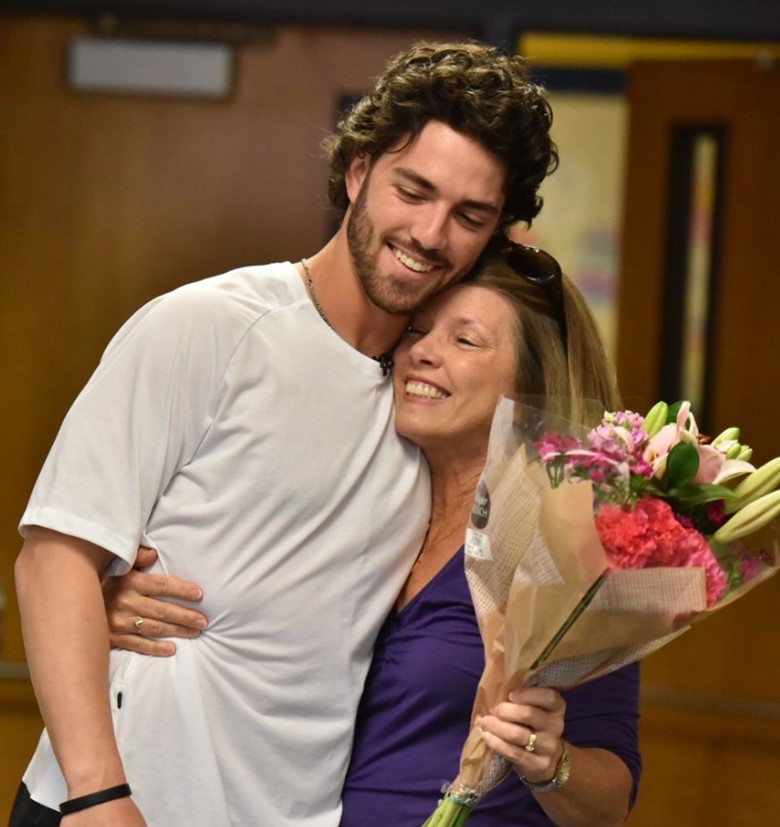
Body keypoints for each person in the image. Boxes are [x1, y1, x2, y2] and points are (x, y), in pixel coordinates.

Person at [10, 41, 558, 827]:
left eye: (470, 215)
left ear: (496, 234)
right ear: (358, 171)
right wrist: (99, 792)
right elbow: (53, 558)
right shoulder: (206, 325)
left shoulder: (434, 403)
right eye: (414, 189)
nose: (432, 233)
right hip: (116, 803)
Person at [104, 241, 641, 827]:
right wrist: (121, 600)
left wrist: (548, 761)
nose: (423, 354)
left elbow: (608, 803)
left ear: (533, 382)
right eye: (417, 330)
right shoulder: (363, 497)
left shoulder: (567, 542)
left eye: (463, 340)